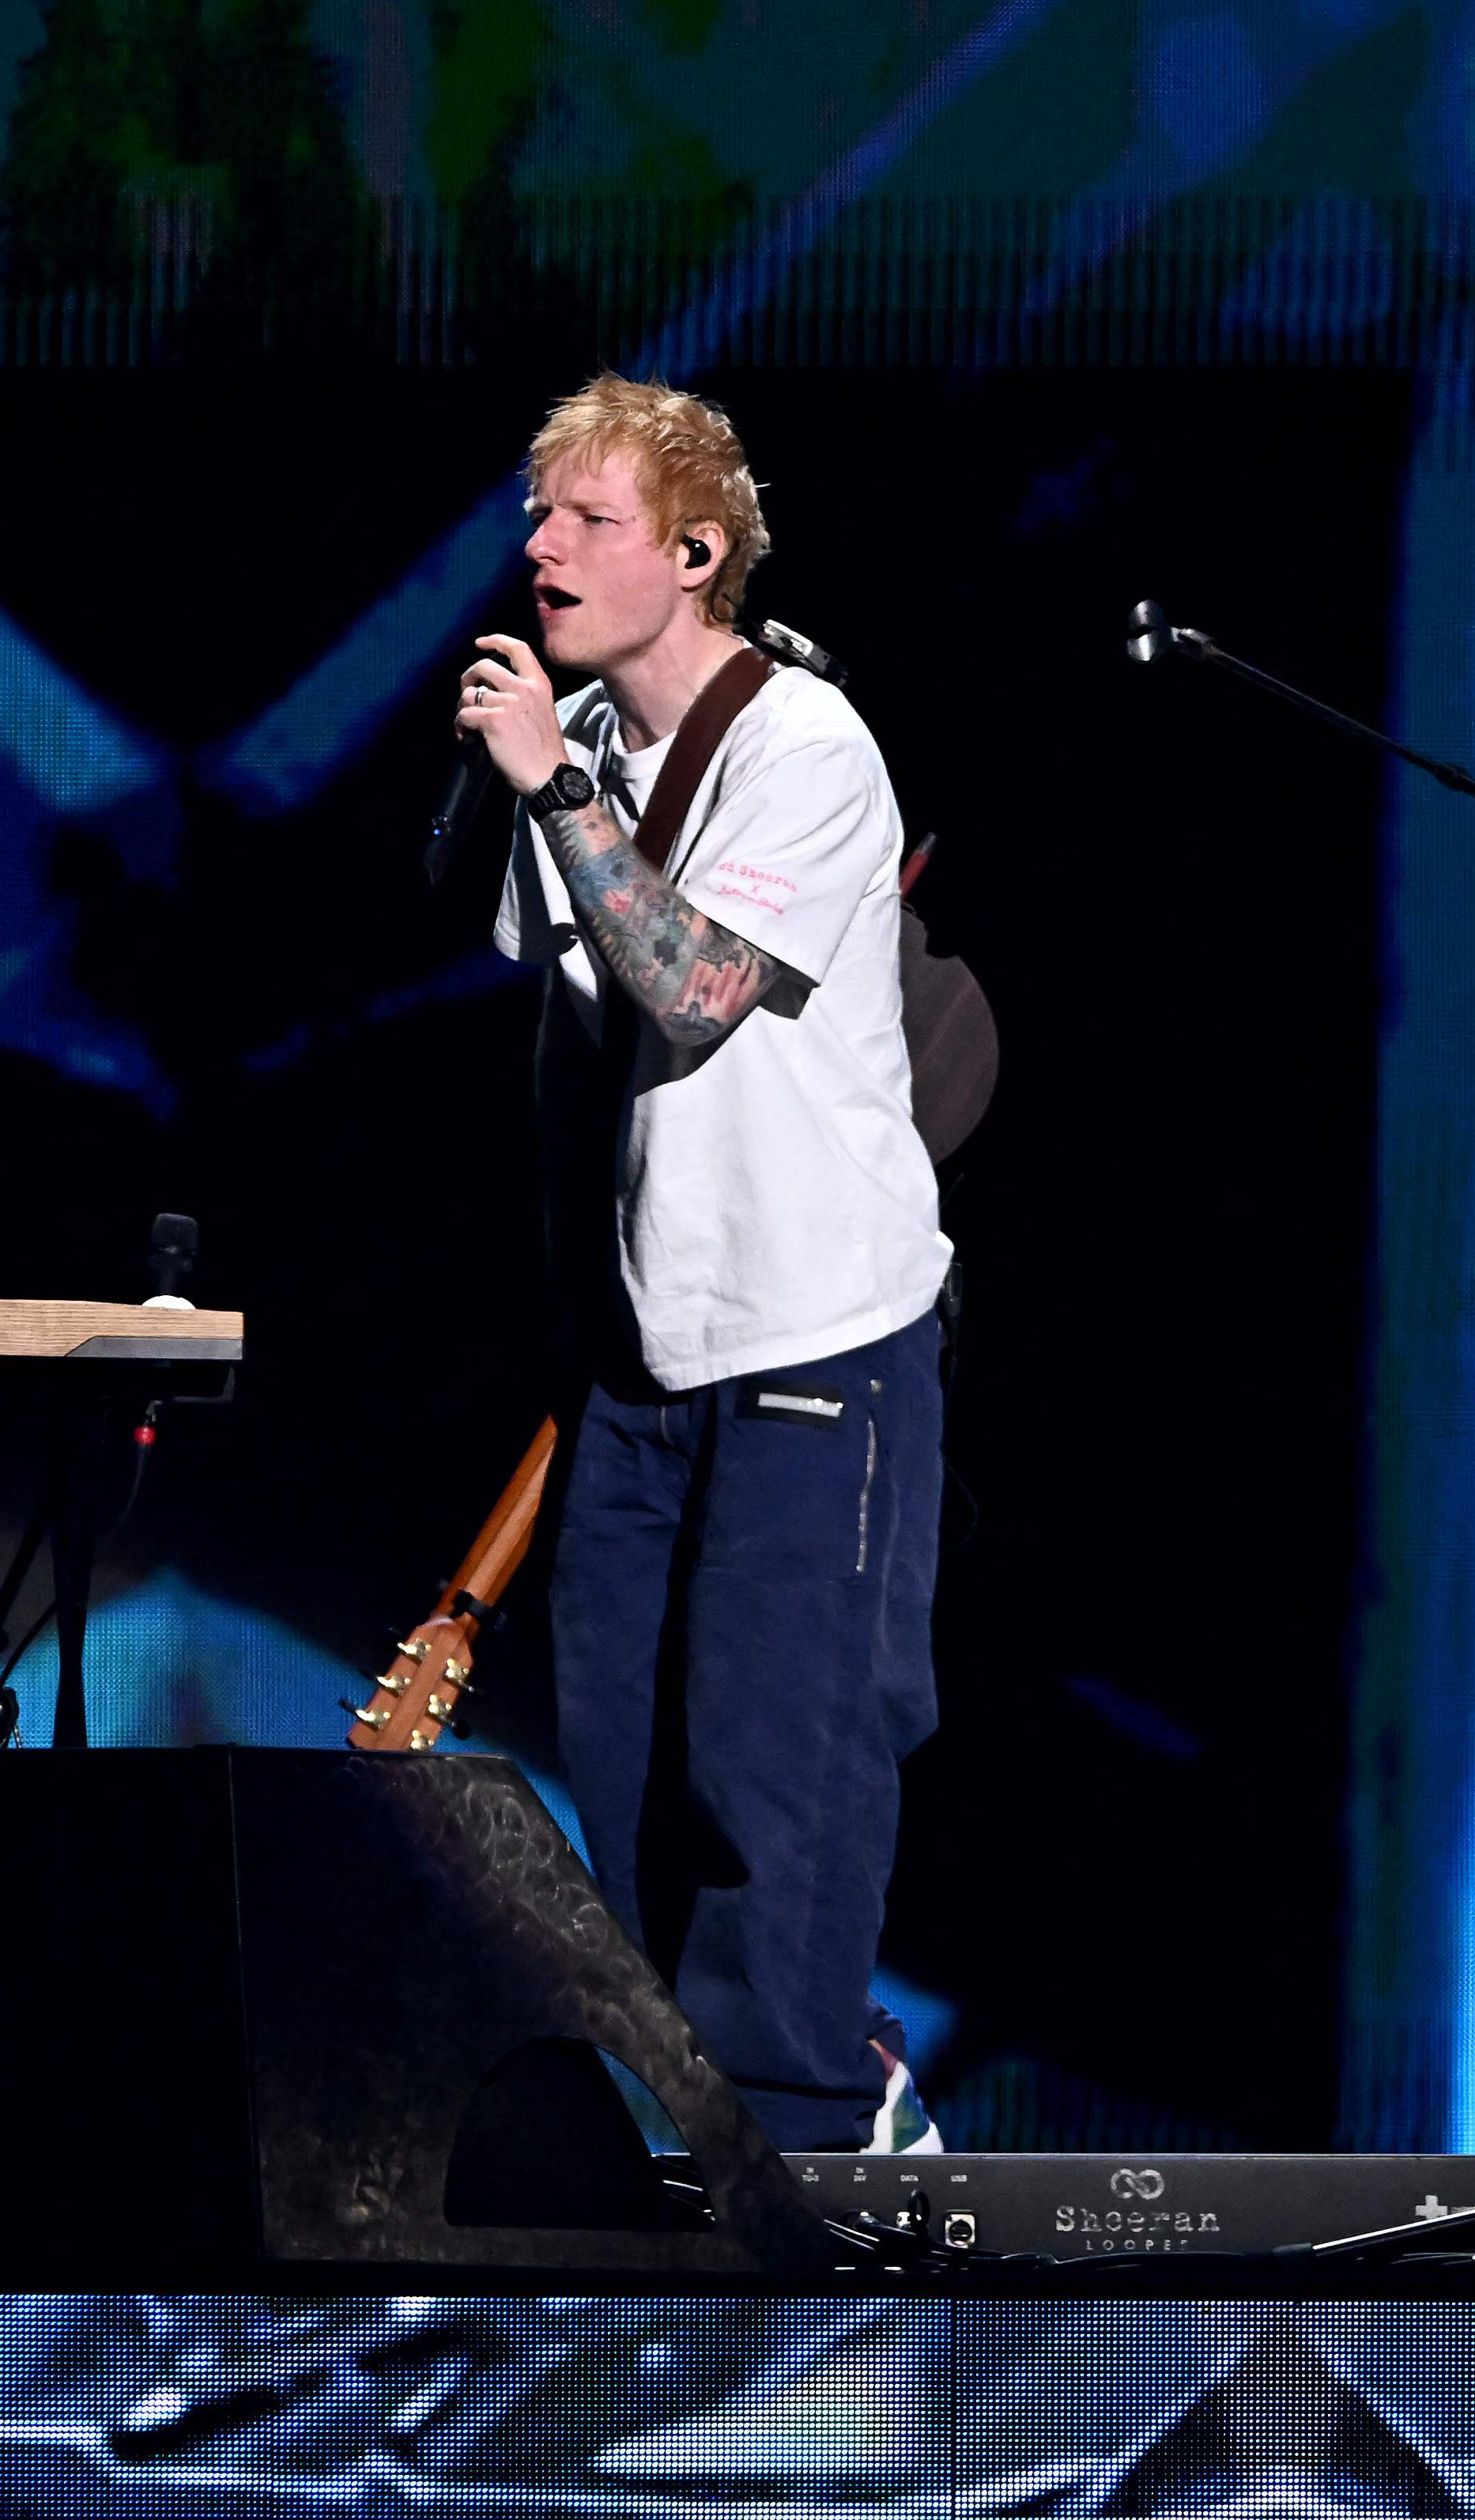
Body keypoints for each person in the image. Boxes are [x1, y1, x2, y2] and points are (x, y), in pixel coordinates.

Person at [457, 374, 950, 2153]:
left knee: (778, 1760)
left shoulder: (806, 745)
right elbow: (561, 1019)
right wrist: (546, 781)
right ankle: (718, 2126)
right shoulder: (591, 748)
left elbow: (685, 987)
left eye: (583, 519)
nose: (539, 551)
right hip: (645, 1352)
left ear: (693, 549)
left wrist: (550, 783)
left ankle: (815, 2140)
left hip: (815, 1328)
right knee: (626, 1770)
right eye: (534, 517)